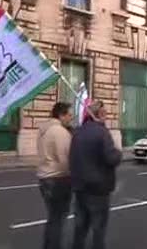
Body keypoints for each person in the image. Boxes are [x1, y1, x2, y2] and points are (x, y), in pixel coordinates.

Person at [70, 101, 122, 249]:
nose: (106, 116)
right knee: (98, 227)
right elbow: (111, 158)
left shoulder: (78, 132)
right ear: (98, 115)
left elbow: (72, 158)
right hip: (99, 188)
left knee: (80, 225)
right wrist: (118, 152)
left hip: (80, 187)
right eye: (104, 114)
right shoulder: (102, 132)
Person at [37, 102, 73, 249]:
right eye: (69, 115)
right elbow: (65, 158)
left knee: (52, 217)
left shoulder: (43, 129)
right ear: (61, 115)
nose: (71, 118)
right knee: (58, 218)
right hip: (58, 179)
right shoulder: (59, 132)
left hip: (44, 177)